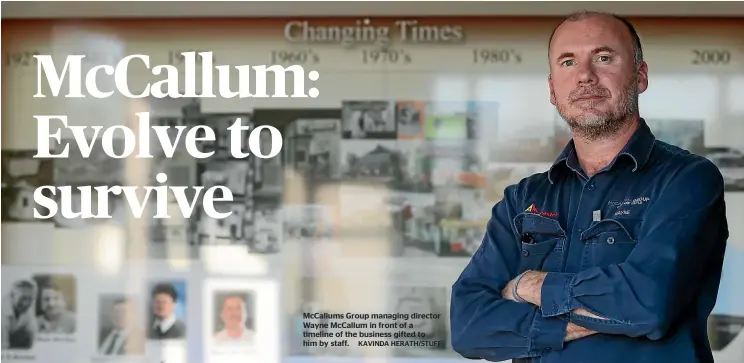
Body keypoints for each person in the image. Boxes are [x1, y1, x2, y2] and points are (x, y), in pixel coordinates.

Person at [450, 11, 729, 363]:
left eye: (603, 57)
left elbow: (648, 305)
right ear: (553, 90)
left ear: (640, 76)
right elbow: (468, 327)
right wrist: (607, 312)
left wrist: (527, 286)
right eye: (568, 62)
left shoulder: (686, 180)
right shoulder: (522, 199)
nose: (585, 75)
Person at [2, 280, 37, 349]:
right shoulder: (2, 313)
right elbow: (3, 348)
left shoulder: (28, 309)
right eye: (22, 298)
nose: (26, 303)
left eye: (30, 299)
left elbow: (33, 335)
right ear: (12, 296)